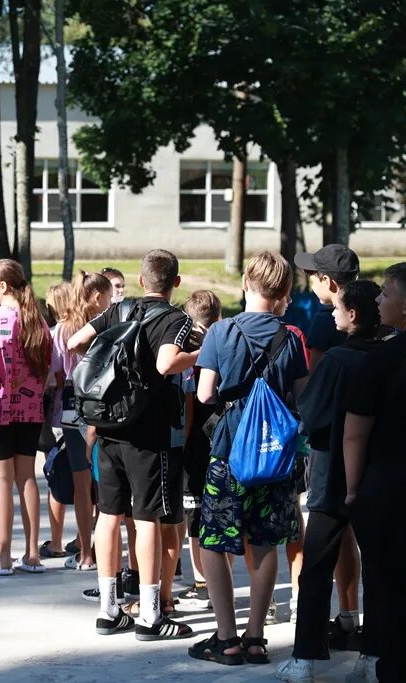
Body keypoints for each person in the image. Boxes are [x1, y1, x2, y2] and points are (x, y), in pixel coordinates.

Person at [68, 249, 199, 640]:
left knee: (108, 516)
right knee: (147, 519)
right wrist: (199, 353)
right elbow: (165, 364)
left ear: (141, 281)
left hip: (108, 428)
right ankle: (150, 615)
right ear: (175, 283)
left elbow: (76, 341)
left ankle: (109, 610)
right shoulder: (177, 319)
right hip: (148, 433)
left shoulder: (118, 311)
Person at [188, 252, 309, 666]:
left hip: (228, 452)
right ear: (283, 294)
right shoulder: (291, 338)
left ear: (244, 282)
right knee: (265, 542)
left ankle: (227, 638)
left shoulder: (221, 331)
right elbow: (303, 395)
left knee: (214, 542)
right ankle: (257, 637)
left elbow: (205, 393)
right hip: (273, 458)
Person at [275, 280, 383, 682]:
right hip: (380, 478)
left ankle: (306, 657)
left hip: (332, 475)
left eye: (338, 308)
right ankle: (374, 655)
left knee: (316, 567)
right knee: (379, 570)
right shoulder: (390, 357)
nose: (332, 313)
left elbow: (311, 412)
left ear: (353, 314)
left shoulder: (337, 360)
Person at [343, 263, 406, 683]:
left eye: (386, 293)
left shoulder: (383, 360)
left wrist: (351, 491)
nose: (379, 300)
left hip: (388, 487)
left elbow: (354, 434)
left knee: (387, 585)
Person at [0, 259, 52, 576]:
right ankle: (33, 554)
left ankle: (3, 556)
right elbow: (46, 372)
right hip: (31, 412)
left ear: (3, 286)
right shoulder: (38, 322)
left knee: (1, 482)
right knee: (27, 479)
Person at [43, 272, 111, 570]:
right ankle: (99, 549)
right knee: (104, 483)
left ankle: (85, 551)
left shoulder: (61, 331)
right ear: (97, 297)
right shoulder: (104, 328)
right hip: (103, 407)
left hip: (71, 409)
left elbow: (57, 374)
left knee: (82, 485)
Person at [176, 290, 223, 611]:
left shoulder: (185, 356)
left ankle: (202, 582)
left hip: (193, 443)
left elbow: (189, 405)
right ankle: (220, 579)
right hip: (222, 439)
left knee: (195, 517)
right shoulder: (225, 346)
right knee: (218, 512)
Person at [295, 244, 360, 368]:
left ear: (327, 281)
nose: (312, 283)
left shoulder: (324, 320)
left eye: (312, 277)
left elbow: (315, 375)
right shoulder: (370, 313)